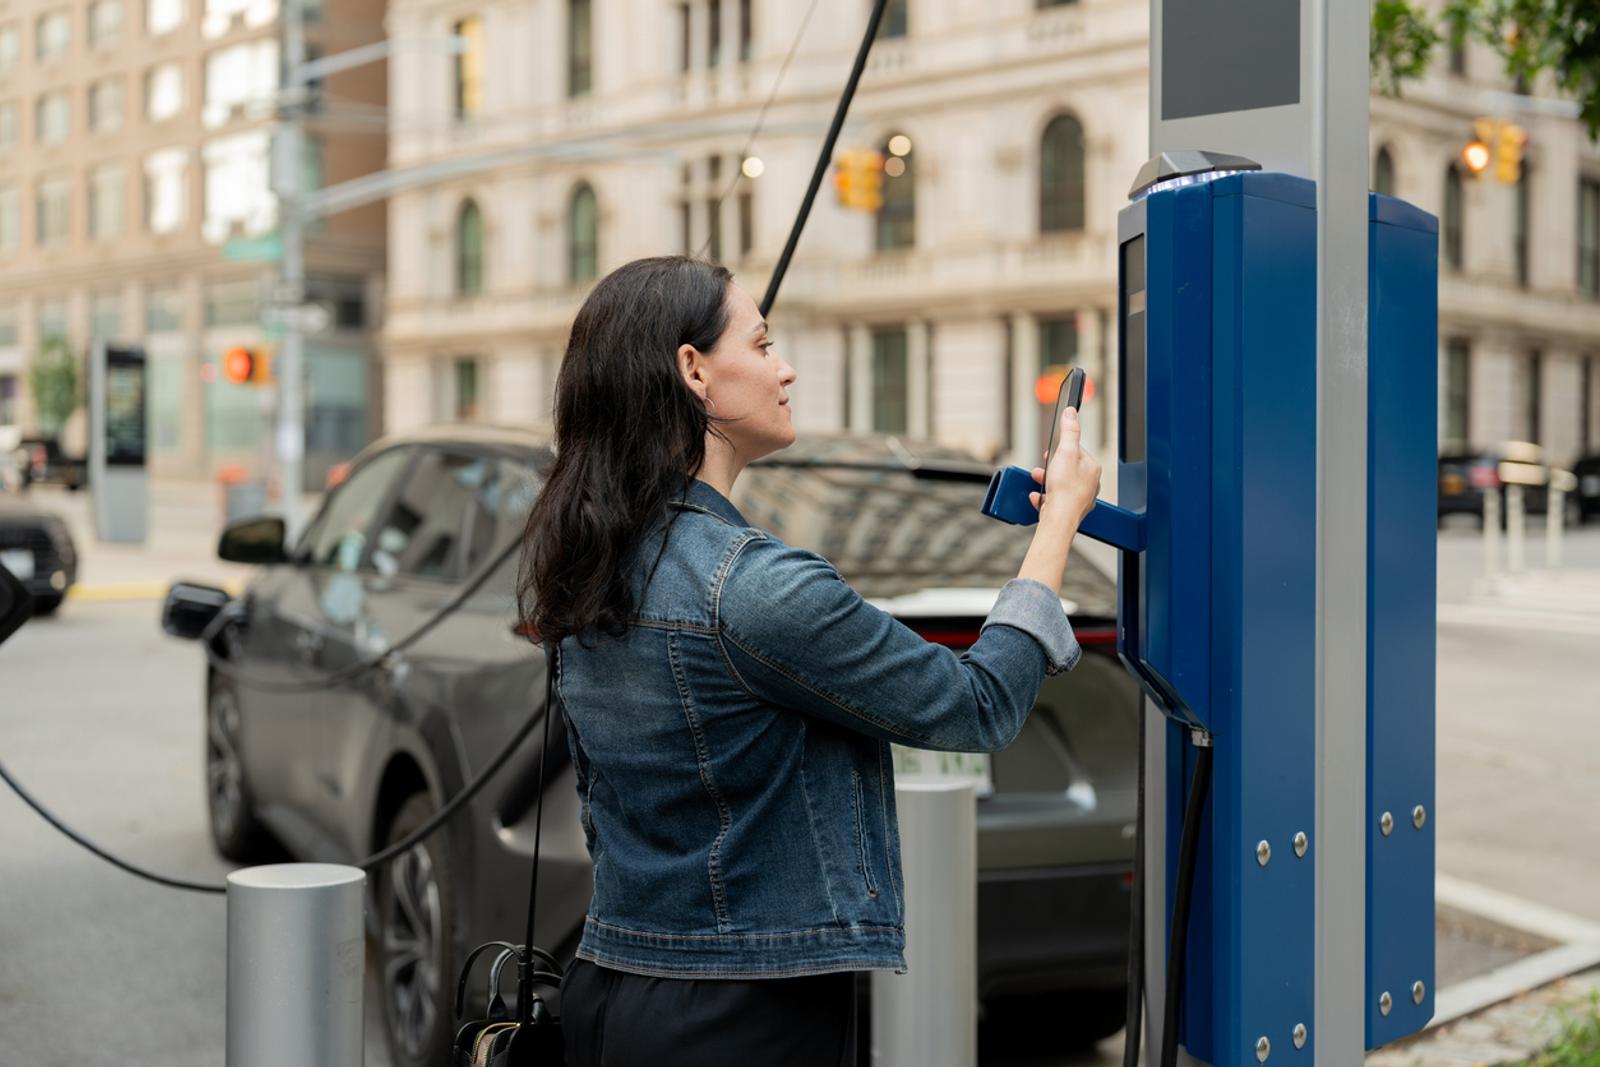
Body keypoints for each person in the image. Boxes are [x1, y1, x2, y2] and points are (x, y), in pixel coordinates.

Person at [517, 255, 1102, 1066]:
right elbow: (978, 704)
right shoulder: (753, 587)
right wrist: (1059, 522)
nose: (784, 367)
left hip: (611, 989)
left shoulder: (589, 565)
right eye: (760, 346)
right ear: (693, 370)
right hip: (744, 1015)